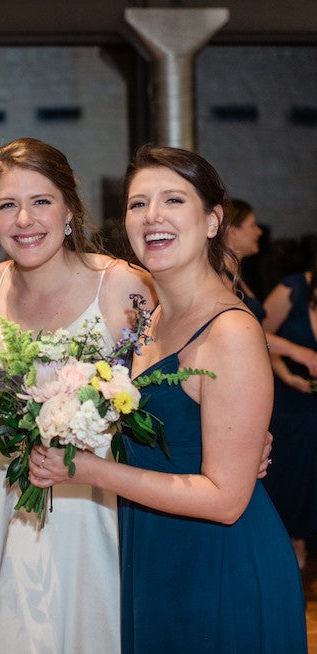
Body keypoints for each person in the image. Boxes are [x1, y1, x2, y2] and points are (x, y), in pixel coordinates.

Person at [30, 144, 307, 652]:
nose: (152, 216)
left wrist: (88, 471)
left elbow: (226, 501)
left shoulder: (231, 332)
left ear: (211, 221)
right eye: (138, 204)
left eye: (173, 200)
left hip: (220, 565)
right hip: (154, 553)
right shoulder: (147, 321)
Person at [0, 138, 156, 653]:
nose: (24, 219)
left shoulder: (121, 285)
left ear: (69, 206)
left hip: (93, 510)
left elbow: (173, 378)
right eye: (6, 205)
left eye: (41, 200)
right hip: (2, 505)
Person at [261, 255, 317, 568]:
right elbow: (258, 335)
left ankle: (304, 539)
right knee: (288, 470)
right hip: (286, 398)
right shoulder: (292, 288)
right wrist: (286, 375)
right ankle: (287, 542)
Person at [226, 199, 317, 374]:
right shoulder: (221, 278)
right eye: (253, 226)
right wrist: (293, 350)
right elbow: (242, 335)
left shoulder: (236, 277)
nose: (259, 232)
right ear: (232, 232)